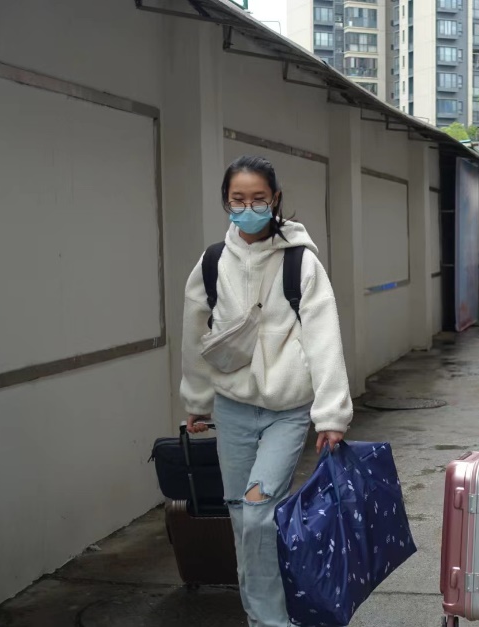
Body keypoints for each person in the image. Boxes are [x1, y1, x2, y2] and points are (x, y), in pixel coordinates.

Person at [180, 155, 353, 627]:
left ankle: (273, 621)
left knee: (258, 515)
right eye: (238, 199)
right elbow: (195, 337)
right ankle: (265, 617)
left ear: (275, 199)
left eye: (258, 198)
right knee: (242, 519)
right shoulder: (212, 262)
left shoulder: (301, 261)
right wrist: (197, 402)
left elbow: (324, 338)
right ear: (226, 201)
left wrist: (331, 415)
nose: (249, 208)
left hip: (287, 409)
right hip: (231, 408)